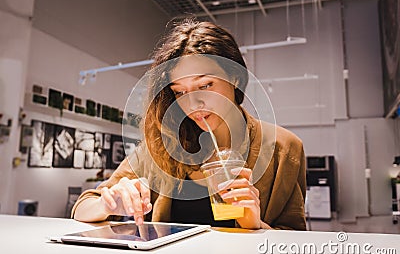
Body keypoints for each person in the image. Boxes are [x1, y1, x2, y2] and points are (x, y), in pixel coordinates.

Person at [72, 18, 306, 230]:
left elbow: (296, 238)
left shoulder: (283, 148)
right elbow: (83, 206)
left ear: (235, 77)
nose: (193, 103)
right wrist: (109, 203)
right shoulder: (162, 144)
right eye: (180, 92)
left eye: (205, 86)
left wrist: (256, 225)